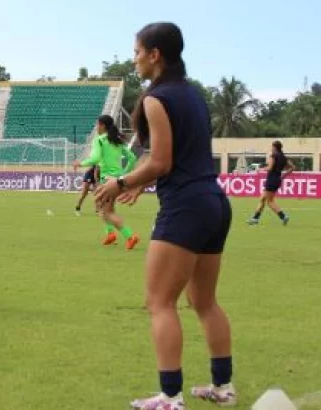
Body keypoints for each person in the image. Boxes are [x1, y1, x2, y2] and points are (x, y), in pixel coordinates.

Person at [95, 22, 235, 409]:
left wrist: (120, 184)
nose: (134, 58)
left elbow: (161, 161)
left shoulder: (156, 98)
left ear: (155, 54)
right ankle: (223, 387)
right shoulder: (192, 95)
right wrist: (141, 182)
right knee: (204, 302)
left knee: (159, 302)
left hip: (186, 207)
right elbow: (176, 157)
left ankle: (169, 397)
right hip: (214, 202)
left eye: (137, 51)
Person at [76, 115, 139, 249]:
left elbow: (95, 158)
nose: (96, 127)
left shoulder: (99, 140)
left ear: (102, 125)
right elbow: (132, 158)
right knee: (104, 207)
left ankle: (130, 236)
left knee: (106, 211)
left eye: (97, 125)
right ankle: (110, 234)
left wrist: (80, 163)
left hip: (107, 180)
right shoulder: (116, 141)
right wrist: (123, 173)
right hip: (118, 180)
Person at [247, 140, 294, 226]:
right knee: (262, 199)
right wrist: (284, 176)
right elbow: (292, 167)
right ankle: (255, 219)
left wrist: (259, 169)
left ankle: (283, 217)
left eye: (272, 147)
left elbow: (269, 168)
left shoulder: (273, 155)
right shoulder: (283, 157)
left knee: (270, 202)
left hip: (271, 180)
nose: (271, 148)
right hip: (277, 180)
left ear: (275, 147)